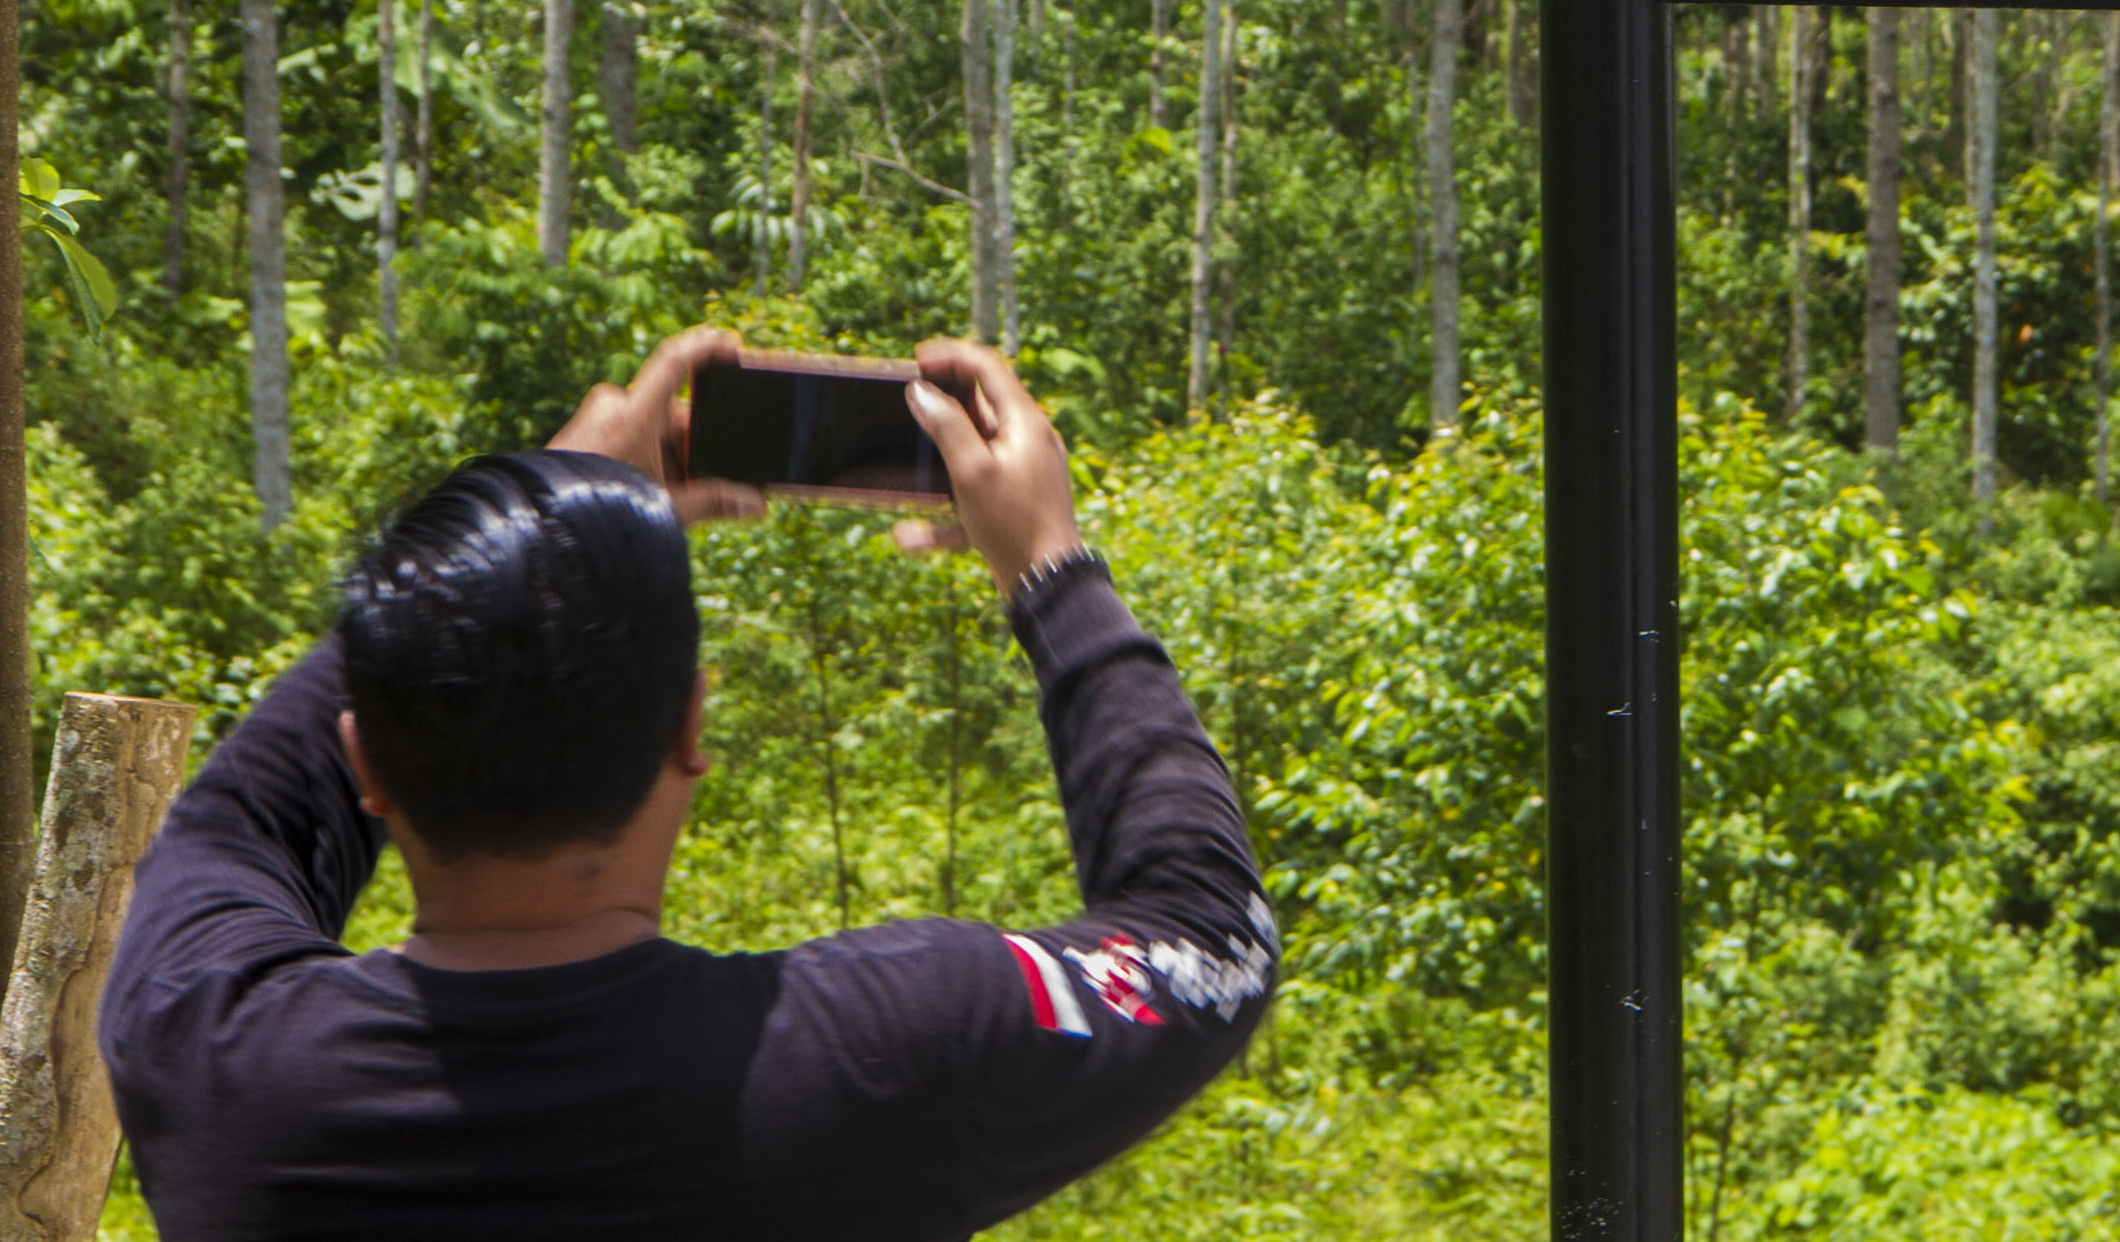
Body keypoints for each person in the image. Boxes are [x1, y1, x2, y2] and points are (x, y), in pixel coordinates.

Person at [99, 328, 1275, 1242]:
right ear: (690, 731)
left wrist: (536, 506)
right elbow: (1208, 938)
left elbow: (241, 820)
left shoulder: (213, 1052)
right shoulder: (877, 1055)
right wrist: (1050, 568)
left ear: (366, 762)